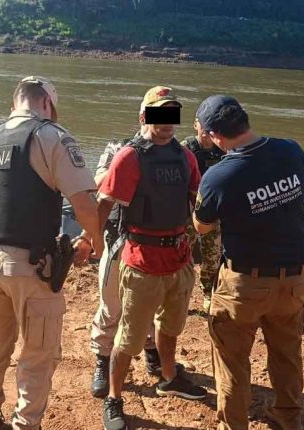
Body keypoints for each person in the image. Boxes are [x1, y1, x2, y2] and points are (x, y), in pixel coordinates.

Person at [0, 76, 103, 430]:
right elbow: (85, 205)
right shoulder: (52, 137)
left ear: (16, 101)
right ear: (47, 103)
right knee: (38, 355)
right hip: (29, 266)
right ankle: (26, 425)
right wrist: (97, 242)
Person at [192, 95, 304, 430]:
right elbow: (301, 185)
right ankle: (289, 419)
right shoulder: (291, 150)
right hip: (294, 276)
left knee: (232, 361)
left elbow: (203, 226)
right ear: (245, 120)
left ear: (215, 136)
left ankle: (233, 425)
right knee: (287, 353)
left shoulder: (219, 176)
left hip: (245, 282)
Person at [96, 86, 207, 430]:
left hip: (179, 258)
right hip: (142, 260)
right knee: (128, 338)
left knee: (171, 327)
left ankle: (169, 377)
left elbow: (199, 199)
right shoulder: (130, 157)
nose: (166, 123)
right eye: (159, 114)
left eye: (171, 114)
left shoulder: (185, 156)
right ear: (145, 116)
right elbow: (104, 204)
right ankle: (115, 397)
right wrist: (92, 243)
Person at [89, 131, 178, 398]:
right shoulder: (119, 146)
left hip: (151, 245)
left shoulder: (172, 153)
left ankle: (152, 353)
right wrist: (124, 164)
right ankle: (103, 360)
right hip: (118, 239)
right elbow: (97, 185)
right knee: (112, 305)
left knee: (149, 304)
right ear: (143, 117)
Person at [181, 117, 225, 313]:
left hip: (212, 213)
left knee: (213, 256)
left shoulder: (222, 150)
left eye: (210, 128)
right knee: (182, 253)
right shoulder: (185, 148)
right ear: (195, 125)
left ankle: (209, 294)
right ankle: (180, 294)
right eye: (202, 127)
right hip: (189, 211)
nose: (206, 133)